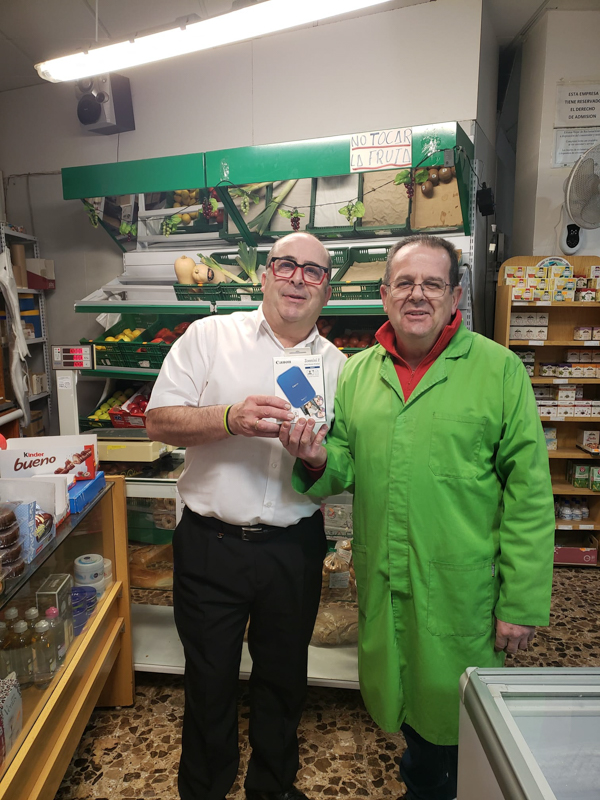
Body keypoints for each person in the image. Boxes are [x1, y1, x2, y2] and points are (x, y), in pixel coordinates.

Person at [280, 234, 555, 800]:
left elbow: (529, 498)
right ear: (384, 295)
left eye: (432, 283)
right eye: (404, 282)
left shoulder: (498, 372)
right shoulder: (358, 374)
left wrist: (521, 605)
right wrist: (315, 458)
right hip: (387, 581)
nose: (417, 295)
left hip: (463, 594)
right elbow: (346, 464)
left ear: (455, 297)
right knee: (409, 712)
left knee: (463, 728)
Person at [145, 231, 346, 800]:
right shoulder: (209, 336)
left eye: (313, 271)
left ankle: (272, 787)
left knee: (284, 679)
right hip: (212, 543)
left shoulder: (339, 368)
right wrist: (228, 417)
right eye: (286, 265)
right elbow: (159, 421)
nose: (297, 279)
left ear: (326, 290)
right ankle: (205, 788)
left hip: (294, 545)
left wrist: (317, 454)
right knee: (209, 679)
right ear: (264, 274)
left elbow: (344, 463)